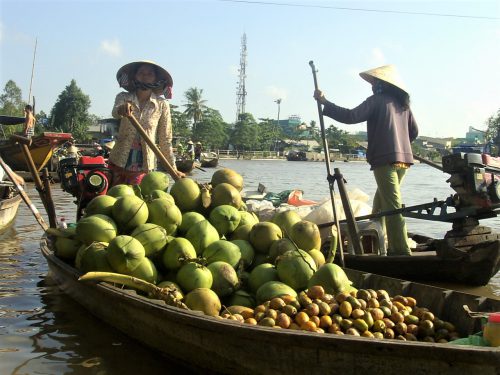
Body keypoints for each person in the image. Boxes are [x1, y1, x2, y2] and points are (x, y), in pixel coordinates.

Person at [314, 64, 418, 256]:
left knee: (393, 207)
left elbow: (351, 116)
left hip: (384, 161)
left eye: (375, 82)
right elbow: (414, 132)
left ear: (382, 85)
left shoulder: (376, 101)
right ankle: (373, 246)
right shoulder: (403, 106)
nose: (372, 86)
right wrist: (401, 144)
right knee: (382, 204)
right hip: (403, 161)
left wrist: (324, 102)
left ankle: (401, 251)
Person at [108, 60, 184, 185]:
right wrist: (122, 108)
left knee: (135, 199)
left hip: (143, 164)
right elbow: (115, 113)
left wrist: (173, 169)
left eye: (150, 74)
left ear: (156, 80)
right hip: (119, 160)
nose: (145, 76)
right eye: (141, 72)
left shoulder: (162, 105)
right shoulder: (123, 97)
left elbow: (165, 139)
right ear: (134, 76)